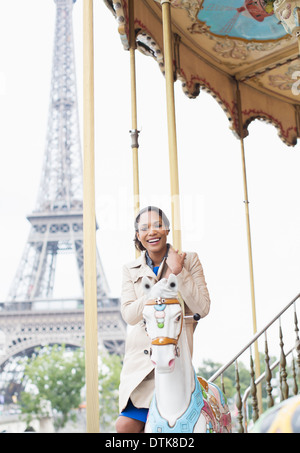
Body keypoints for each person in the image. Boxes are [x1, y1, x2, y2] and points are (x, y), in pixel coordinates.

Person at [115, 206, 211, 433]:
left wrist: (178, 272)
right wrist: (157, 289)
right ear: (138, 236)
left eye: (157, 225)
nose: (152, 232)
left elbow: (202, 308)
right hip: (143, 368)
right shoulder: (130, 270)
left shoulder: (190, 261)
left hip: (173, 359)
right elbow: (130, 314)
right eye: (144, 228)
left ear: (167, 229)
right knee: (125, 426)